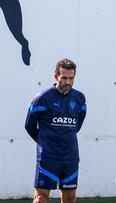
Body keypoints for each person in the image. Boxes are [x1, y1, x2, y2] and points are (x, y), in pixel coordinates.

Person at [25, 59, 87, 203]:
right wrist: (45, 142)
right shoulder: (42, 98)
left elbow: (77, 126)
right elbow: (29, 126)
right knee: (41, 197)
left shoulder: (79, 98)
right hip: (48, 157)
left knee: (70, 198)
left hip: (70, 156)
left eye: (71, 78)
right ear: (56, 77)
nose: (68, 82)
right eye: (64, 78)